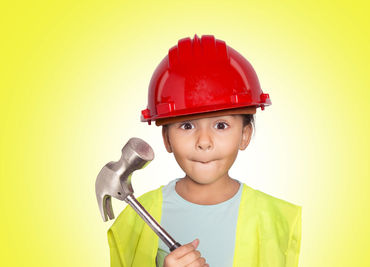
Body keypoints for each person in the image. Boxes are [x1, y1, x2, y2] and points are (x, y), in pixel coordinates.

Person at [107, 34, 302, 267]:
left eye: (221, 125)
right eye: (187, 126)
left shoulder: (278, 221)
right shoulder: (134, 222)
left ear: (245, 135)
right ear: (166, 139)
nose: (204, 141)